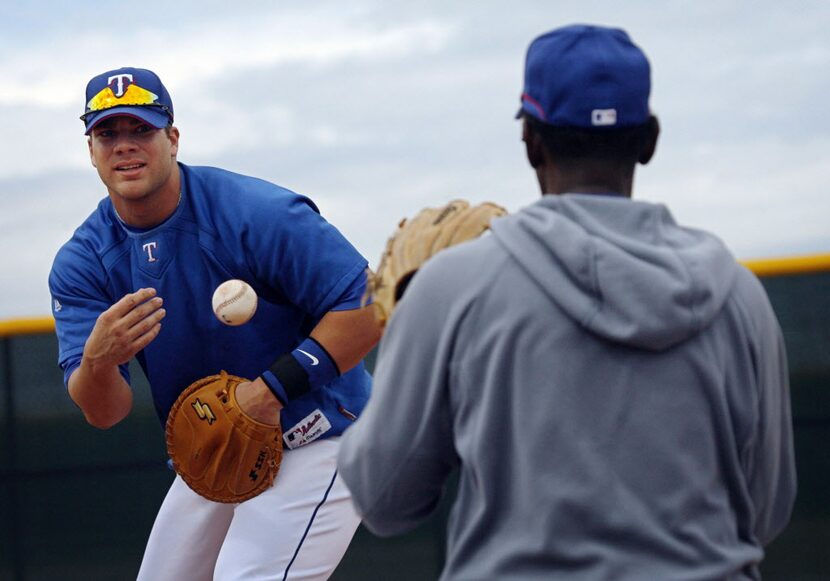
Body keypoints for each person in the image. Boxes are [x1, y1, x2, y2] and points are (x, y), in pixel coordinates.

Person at [337, 24, 796, 580]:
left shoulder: (452, 287)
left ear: (531, 139)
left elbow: (384, 499)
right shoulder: (738, 292)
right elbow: (766, 508)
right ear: (648, 140)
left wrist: (411, 331)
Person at [49, 67, 380, 580]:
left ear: (173, 138)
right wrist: (98, 360)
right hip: (217, 447)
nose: (124, 146)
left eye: (141, 129)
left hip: (323, 432)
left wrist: (271, 390)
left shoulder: (255, 212)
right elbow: (106, 413)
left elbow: (366, 307)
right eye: (107, 133)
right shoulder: (84, 262)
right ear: (91, 149)